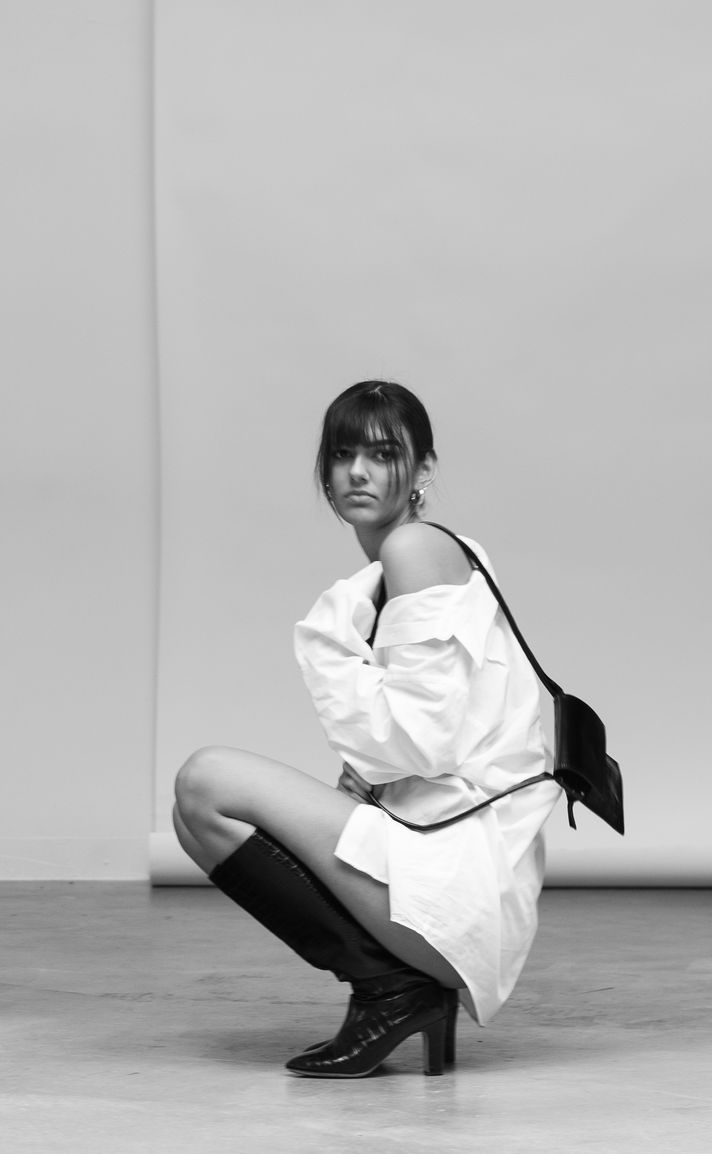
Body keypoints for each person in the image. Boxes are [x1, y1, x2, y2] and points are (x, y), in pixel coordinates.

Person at [172, 380, 561, 1078]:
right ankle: (393, 990)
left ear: (423, 469)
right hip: (441, 868)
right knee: (194, 815)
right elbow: (427, 729)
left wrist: (339, 667)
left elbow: (419, 742)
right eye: (343, 453)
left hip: (458, 884)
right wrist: (368, 773)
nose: (358, 471)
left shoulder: (414, 547)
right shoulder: (399, 567)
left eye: (383, 455)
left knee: (206, 781)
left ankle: (396, 990)